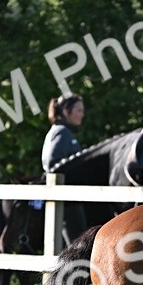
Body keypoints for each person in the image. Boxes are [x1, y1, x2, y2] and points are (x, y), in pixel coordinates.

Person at [41, 92, 88, 247]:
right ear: (67, 111)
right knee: (76, 247)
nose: (82, 114)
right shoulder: (62, 132)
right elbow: (52, 164)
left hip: (70, 198)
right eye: (79, 110)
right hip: (67, 201)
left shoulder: (64, 132)